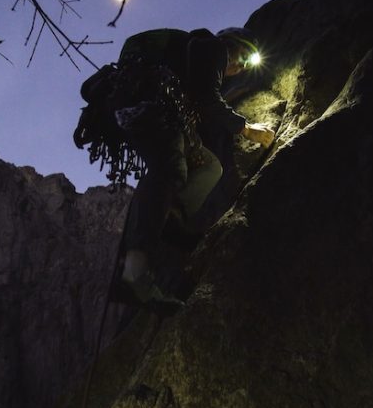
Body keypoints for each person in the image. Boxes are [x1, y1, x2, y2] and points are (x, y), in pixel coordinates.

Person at [76, 27, 275, 306]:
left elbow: (202, 98)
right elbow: (208, 98)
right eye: (243, 56)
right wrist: (246, 129)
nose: (240, 66)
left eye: (244, 65)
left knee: (209, 167)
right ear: (231, 43)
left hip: (147, 109)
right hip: (150, 104)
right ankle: (134, 276)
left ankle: (172, 216)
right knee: (169, 168)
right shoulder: (212, 47)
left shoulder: (190, 61)